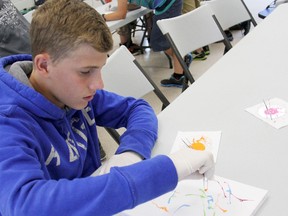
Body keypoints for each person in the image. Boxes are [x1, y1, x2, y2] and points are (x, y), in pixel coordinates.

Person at [0, 0, 214, 215]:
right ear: (44, 65)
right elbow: (25, 205)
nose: (99, 84)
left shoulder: (70, 91)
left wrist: (131, 153)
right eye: (86, 71)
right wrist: (163, 171)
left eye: (100, 69)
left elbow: (138, 108)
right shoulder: (8, 122)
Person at [102, 0, 193, 88]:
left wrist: (102, 17)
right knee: (166, 40)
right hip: (168, 4)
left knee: (159, 42)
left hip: (167, 5)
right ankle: (180, 67)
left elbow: (121, 14)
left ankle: (181, 62)